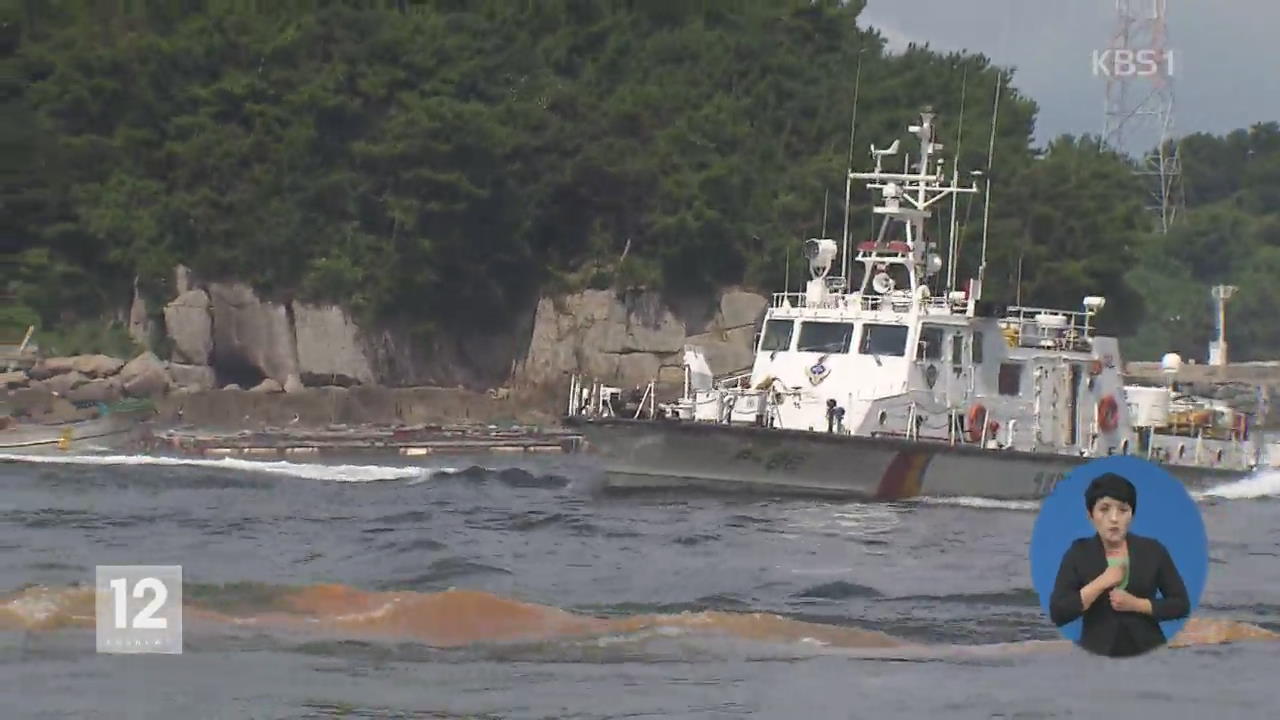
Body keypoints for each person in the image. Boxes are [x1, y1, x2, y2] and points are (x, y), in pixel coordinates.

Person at [1048, 472, 1190, 657]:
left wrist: (1137, 604)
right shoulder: (1078, 553)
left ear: (1132, 515)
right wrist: (1101, 583)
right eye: (1104, 509)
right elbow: (1058, 612)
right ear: (1090, 515)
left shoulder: (1153, 551)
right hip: (1096, 654)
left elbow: (1180, 604)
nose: (1114, 518)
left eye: (1123, 510)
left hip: (1149, 651)